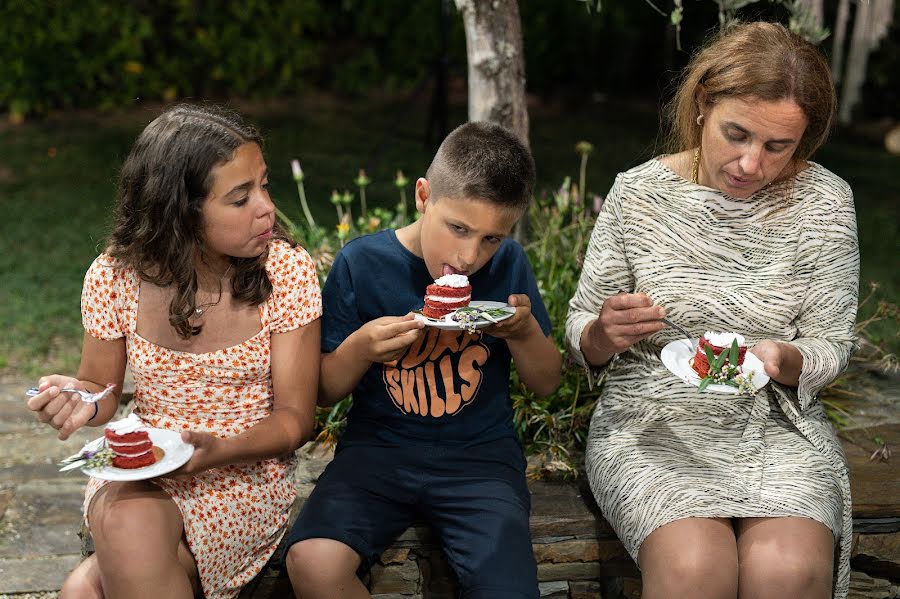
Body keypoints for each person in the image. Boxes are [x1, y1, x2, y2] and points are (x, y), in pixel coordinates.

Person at [566, 22, 858, 599]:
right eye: (737, 134)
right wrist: (604, 331)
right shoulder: (638, 194)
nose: (751, 163)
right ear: (703, 105)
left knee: (788, 574)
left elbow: (832, 341)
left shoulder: (825, 202)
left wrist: (788, 357)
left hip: (775, 427)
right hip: (653, 424)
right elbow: (580, 334)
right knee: (695, 574)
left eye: (779, 147)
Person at [26, 104, 322, 599]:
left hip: (240, 477)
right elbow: (101, 391)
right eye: (239, 198)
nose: (266, 208)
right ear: (181, 211)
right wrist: (76, 398)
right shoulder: (114, 276)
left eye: (264, 186)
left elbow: (295, 420)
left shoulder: (285, 273)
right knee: (123, 522)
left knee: (85, 590)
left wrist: (217, 449)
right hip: (144, 469)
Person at [284, 121, 562, 598]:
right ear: (422, 195)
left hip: (480, 461)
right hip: (378, 453)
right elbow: (325, 389)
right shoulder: (362, 263)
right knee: (312, 561)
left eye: (491, 237)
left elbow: (547, 382)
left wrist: (524, 331)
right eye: (458, 228)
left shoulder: (509, 264)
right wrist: (362, 348)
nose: (471, 254)